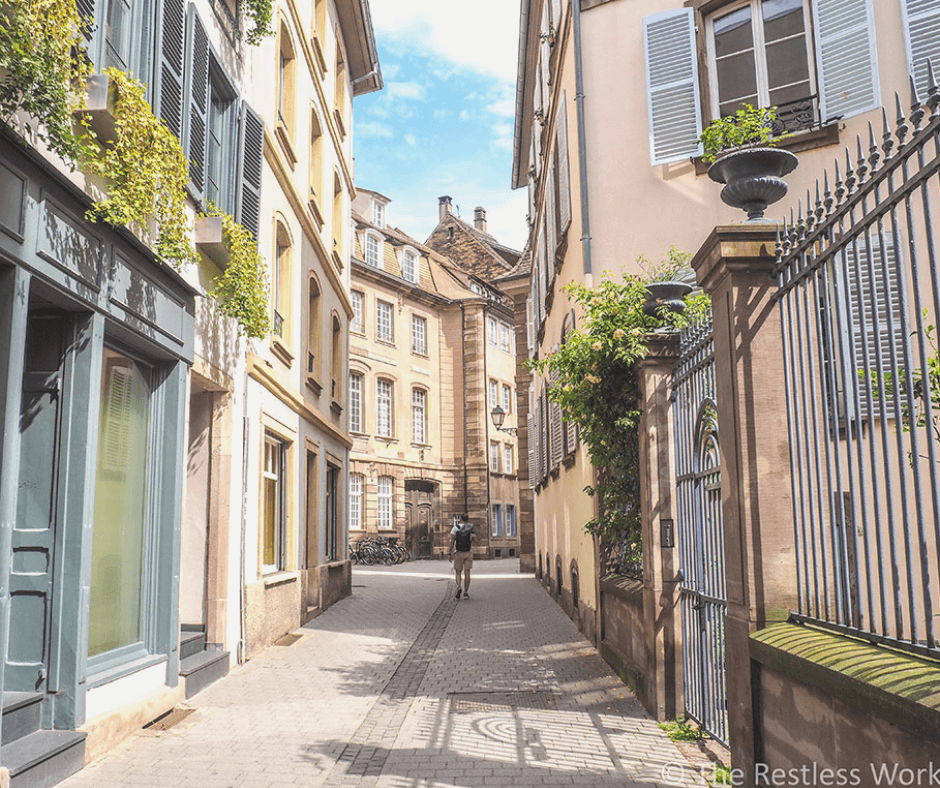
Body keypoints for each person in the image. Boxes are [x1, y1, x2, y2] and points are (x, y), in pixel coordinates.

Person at [449, 513, 476, 600]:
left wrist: (450, 553)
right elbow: (475, 540)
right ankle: (466, 593)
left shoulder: (455, 528)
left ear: (460, 519)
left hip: (458, 552)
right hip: (468, 552)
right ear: (467, 519)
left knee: (458, 572)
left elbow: (452, 541)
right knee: (467, 573)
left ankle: (459, 586)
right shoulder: (471, 528)